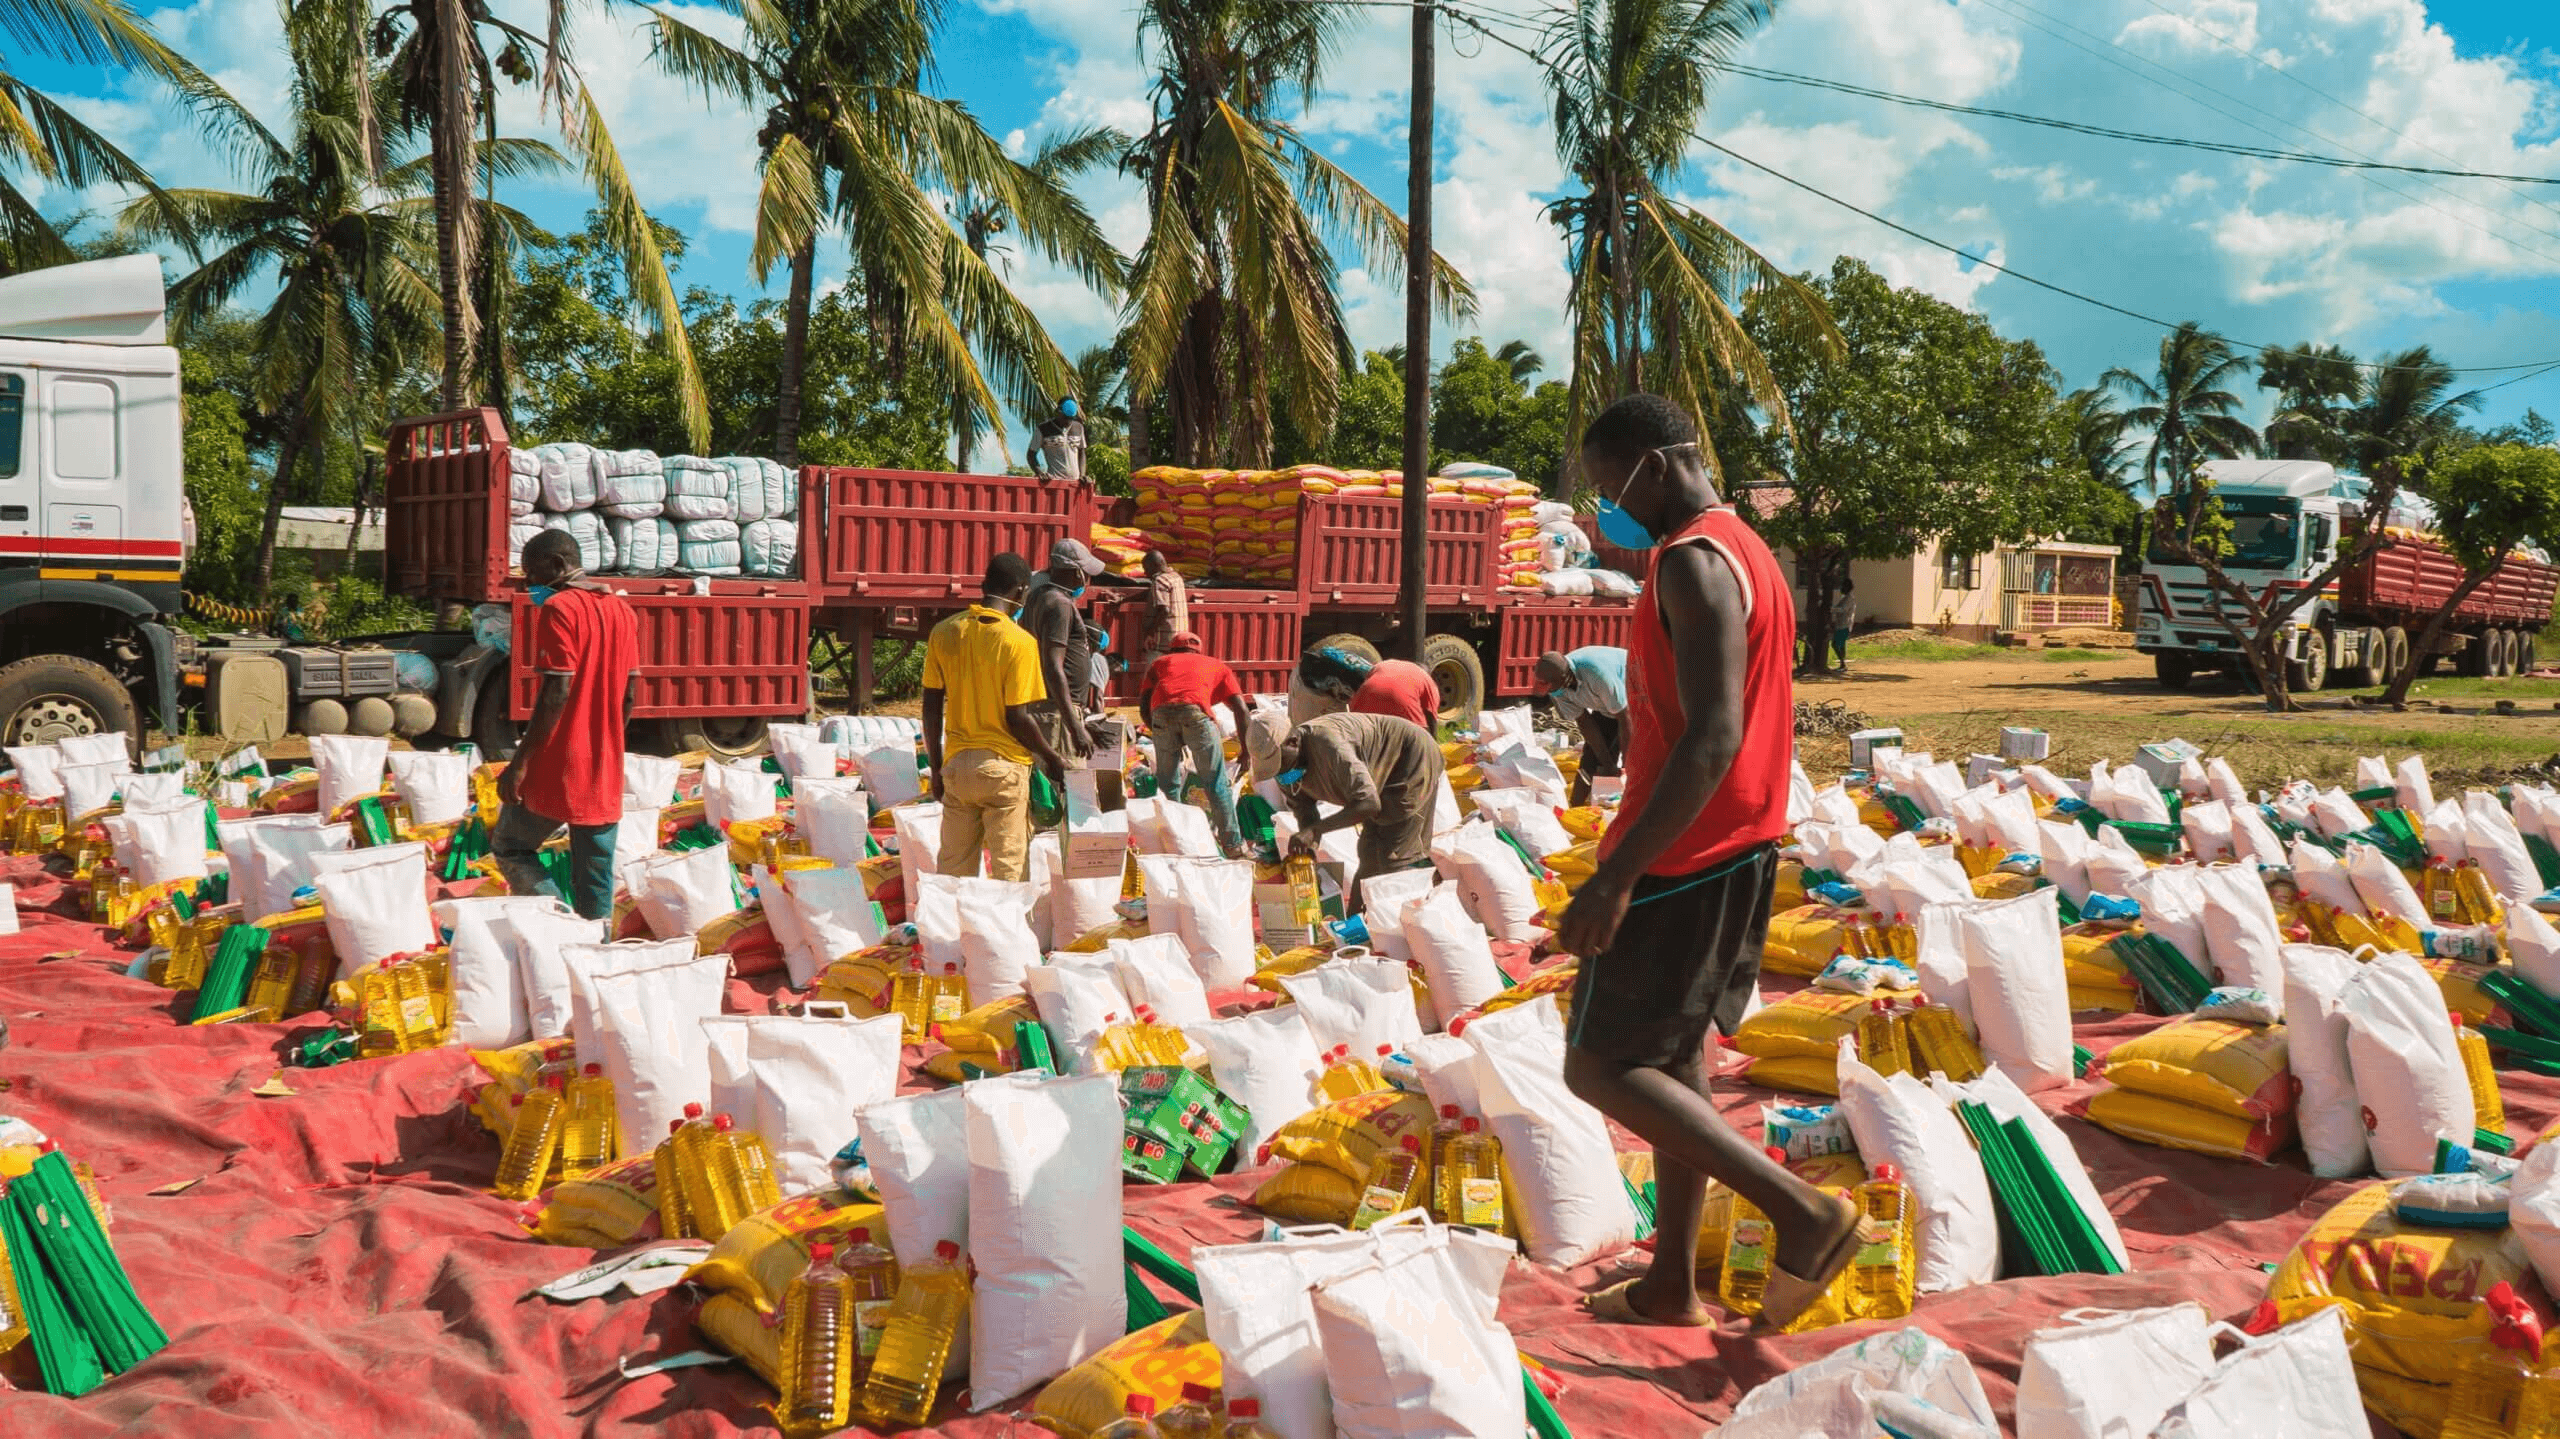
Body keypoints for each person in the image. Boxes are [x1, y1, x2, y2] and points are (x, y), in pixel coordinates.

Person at [1554, 393, 1860, 1333]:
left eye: (1611, 487)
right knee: (1679, 1062)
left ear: (1653, 463)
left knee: (1596, 1068)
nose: (1613, 509)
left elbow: (1713, 733)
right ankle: (1669, 1284)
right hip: (1738, 845)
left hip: (1686, 852)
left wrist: (1616, 877)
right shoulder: (1748, 550)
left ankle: (1804, 1211)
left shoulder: (1692, 562)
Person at [493, 529, 640, 921]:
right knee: (596, 879)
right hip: (604, 766)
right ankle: (595, 952)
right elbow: (629, 694)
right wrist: (610, 741)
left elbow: (557, 690)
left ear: (559, 566)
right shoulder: (623, 612)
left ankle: (557, 921)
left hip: (560, 762)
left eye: (532, 574)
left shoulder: (560, 609)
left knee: (510, 845)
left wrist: (520, 763)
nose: (529, 585)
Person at [921, 552, 1075, 881]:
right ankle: (1006, 931)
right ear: (1020, 592)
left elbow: (931, 709)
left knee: (953, 871)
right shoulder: (1019, 642)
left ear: (983, 586)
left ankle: (950, 929)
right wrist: (1051, 756)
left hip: (958, 768)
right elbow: (1018, 718)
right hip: (1004, 772)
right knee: (1009, 873)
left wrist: (936, 768)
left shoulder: (944, 632)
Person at [1277, 711, 1443, 914]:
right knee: (1369, 851)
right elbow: (1305, 811)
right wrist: (1308, 848)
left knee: (1394, 854)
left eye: (1282, 766)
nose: (1281, 774)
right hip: (1375, 777)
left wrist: (1315, 831)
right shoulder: (1283, 771)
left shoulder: (1330, 747)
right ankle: (1355, 923)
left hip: (1410, 757)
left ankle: (1402, 925)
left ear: (1293, 743)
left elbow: (1368, 804)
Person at [1137, 633, 1253, 857]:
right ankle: (1233, 846)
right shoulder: (1215, 665)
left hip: (1160, 714)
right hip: (1196, 715)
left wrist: (1161, 732)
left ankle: (1173, 842)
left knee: (1167, 784)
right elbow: (1241, 709)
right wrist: (1246, 751)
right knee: (1215, 783)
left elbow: (1144, 705)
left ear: (1172, 649)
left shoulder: (1160, 663)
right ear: (1198, 650)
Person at [1019, 538, 1106, 764]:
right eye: (1086, 573)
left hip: (1051, 710)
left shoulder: (1039, 596)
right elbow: (1053, 667)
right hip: (1056, 716)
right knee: (1068, 788)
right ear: (1077, 572)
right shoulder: (1060, 603)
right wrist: (1075, 727)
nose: (1087, 580)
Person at [1535, 646, 1628, 806]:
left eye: (1545, 684)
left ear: (1563, 680)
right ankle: (1575, 808)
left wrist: (1628, 765)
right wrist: (1608, 765)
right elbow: (1586, 724)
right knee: (1592, 760)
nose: (1540, 688)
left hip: (1638, 698)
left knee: (1639, 763)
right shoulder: (1557, 689)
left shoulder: (1597, 675)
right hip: (1609, 708)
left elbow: (1626, 719)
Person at [1348, 657, 1440, 734]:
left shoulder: (1385, 663)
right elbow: (1431, 715)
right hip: (1399, 699)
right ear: (1429, 674)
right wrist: (1433, 742)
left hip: (1365, 697)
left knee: (1365, 734)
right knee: (1416, 738)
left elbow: (1367, 681)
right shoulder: (1427, 679)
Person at [1142, 549, 1189, 662]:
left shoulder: (1159, 581)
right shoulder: (1176, 577)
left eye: (1146, 568)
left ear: (1155, 565)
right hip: (1179, 639)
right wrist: (1124, 599)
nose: (1145, 573)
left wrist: (1150, 634)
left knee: (1155, 675)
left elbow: (1164, 610)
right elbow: (1151, 593)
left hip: (1163, 643)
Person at [1028, 396, 1088, 481]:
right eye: (1065, 418)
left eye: (1071, 419)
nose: (1068, 421)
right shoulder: (1043, 429)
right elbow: (1031, 454)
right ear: (1059, 412)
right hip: (1054, 482)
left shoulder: (1078, 427)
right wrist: (1040, 472)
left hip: (1075, 483)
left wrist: (1082, 474)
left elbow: (1082, 452)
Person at [1829, 578, 1856, 673]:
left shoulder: (1849, 599)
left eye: (1843, 586)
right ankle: (1842, 664)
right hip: (1841, 624)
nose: (1841, 588)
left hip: (1845, 625)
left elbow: (1842, 609)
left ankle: (1843, 664)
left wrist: (1830, 609)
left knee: (1835, 644)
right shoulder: (1845, 598)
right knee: (1841, 645)